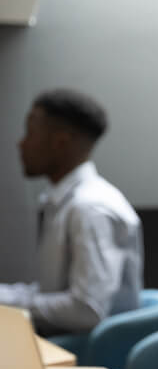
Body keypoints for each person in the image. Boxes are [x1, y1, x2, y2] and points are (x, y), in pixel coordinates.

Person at [0, 89, 143, 335]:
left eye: (30, 133)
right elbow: (50, 292)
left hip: (91, 357)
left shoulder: (89, 209)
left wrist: (10, 306)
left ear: (60, 142)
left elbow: (86, 309)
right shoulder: (65, 203)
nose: (20, 143)